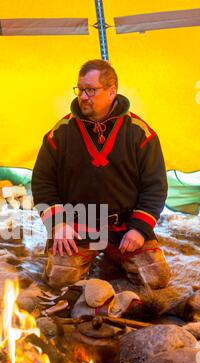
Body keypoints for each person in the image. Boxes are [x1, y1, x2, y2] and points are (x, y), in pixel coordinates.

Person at [32, 59, 171, 290]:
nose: (83, 96)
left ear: (112, 91)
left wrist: (139, 229)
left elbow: (155, 186)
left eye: (91, 90)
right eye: (80, 89)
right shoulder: (60, 133)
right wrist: (58, 225)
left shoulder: (140, 133)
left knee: (156, 278)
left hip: (125, 228)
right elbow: (42, 182)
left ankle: (114, 257)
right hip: (77, 224)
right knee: (60, 279)